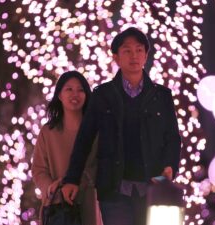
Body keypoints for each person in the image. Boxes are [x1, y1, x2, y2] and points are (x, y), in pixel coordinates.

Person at [61, 27, 182, 225]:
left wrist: (169, 166)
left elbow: (172, 137)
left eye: (139, 50)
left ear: (146, 55)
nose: (134, 55)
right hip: (114, 188)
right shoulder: (103, 95)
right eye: (127, 50)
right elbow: (84, 139)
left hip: (153, 187)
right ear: (116, 57)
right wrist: (72, 179)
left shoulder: (162, 96)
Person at [31, 71, 102, 225]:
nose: (75, 94)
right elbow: (38, 169)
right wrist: (51, 187)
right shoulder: (48, 132)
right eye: (69, 89)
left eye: (80, 90)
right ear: (59, 95)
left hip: (89, 202)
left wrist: (78, 182)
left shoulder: (96, 131)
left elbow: (100, 164)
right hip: (57, 207)